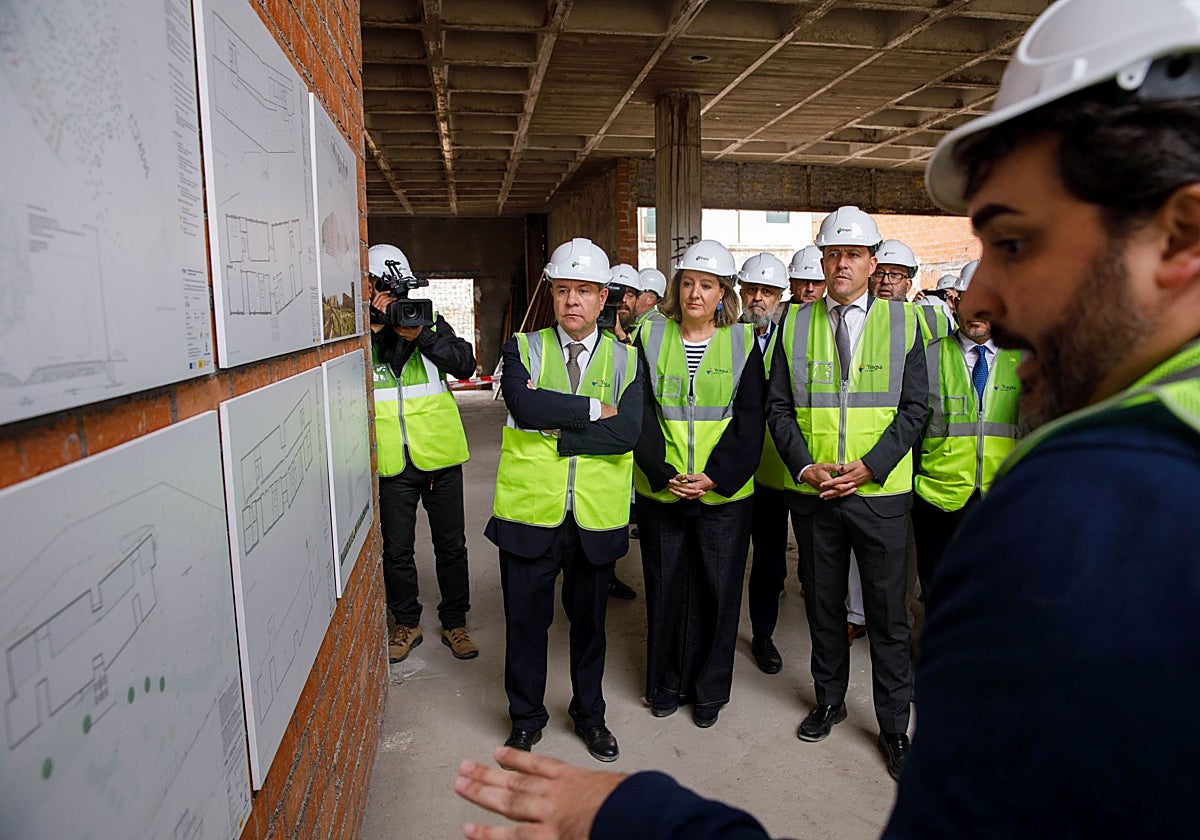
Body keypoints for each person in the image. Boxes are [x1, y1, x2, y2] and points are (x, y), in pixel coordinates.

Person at [454, 0, 1200, 836]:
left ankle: (880, 720)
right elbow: (759, 408)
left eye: (1016, 245)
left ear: (1182, 234)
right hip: (742, 490)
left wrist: (636, 819)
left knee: (877, 617)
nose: (978, 298)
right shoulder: (1109, 478)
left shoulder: (1124, 515)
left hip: (844, 492)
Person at [768, 206, 927, 780]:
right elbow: (778, 408)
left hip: (879, 494)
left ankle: (893, 726)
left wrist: (869, 467)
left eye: (852, 254)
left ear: (872, 262)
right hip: (816, 494)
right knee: (824, 605)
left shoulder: (907, 324)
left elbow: (915, 410)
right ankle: (829, 700)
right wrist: (806, 467)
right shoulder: (793, 324)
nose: (840, 264)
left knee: (887, 617)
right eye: (832, 254)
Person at [484, 237, 643, 764]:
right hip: (530, 513)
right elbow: (526, 408)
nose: (572, 301)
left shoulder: (629, 360)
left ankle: (590, 716)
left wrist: (565, 430)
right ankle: (526, 718)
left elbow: (628, 434)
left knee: (590, 627)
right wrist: (597, 408)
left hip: (594, 518)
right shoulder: (522, 348)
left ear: (604, 299)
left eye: (584, 291)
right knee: (526, 624)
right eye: (563, 291)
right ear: (552, 296)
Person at [633, 239, 764, 728]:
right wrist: (665, 473)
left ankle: (709, 691)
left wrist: (717, 477)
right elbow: (640, 412)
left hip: (723, 494)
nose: (694, 293)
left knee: (718, 591)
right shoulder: (649, 335)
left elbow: (750, 420)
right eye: (687, 282)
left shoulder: (743, 341)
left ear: (722, 293)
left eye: (706, 285)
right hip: (662, 488)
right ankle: (665, 685)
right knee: (665, 588)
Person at [368, 243, 479, 664]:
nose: (396, 302)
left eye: (400, 293)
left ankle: (455, 622)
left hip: (439, 454)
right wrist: (375, 331)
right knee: (396, 549)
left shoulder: (427, 320)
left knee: (451, 546)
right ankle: (407, 623)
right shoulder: (360, 332)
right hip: (392, 461)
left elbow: (465, 364)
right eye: (386, 292)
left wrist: (420, 334)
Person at [911, 271, 1022, 596]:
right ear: (954, 303)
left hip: (1001, 499)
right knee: (938, 588)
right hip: (938, 498)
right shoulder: (929, 356)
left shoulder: (1025, 360)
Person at [736, 253, 791, 674]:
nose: (758, 298)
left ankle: (763, 635)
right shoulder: (726, 336)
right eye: (751, 290)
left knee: (770, 560)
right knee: (727, 558)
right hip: (731, 470)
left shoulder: (794, 337)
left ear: (779, 297)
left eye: (767, 292)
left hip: (775, 472)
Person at [603, 263, 643, 601]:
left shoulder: (639, 335)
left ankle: (610, 573)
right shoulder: (588, 331)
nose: (622, 302)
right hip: (594, 438)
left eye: (628, 294)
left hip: (626, 440)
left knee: (617, 517)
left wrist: (620, 335)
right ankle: (603, 576)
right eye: (616, 294)